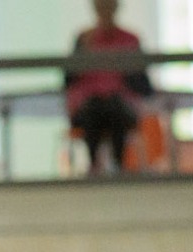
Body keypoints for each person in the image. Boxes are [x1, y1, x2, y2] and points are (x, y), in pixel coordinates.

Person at [65, 0, 152, 176]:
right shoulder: (84, 39)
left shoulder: (130, 40)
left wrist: (127, 69)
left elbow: (144, 86)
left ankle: (118, 164)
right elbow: (68, 80)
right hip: (89, 108)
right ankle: (93, 164)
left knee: (114, 107)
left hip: (121, 107)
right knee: (95, 107)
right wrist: (83, 55)